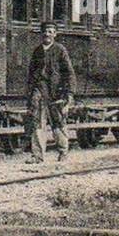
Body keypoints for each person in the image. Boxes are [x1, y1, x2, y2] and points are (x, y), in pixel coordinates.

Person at [26, 21, 75, 163]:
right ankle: (37, 156)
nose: (47, 34)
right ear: (41, 34)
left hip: (56, 93)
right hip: (39, 92)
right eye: (45, 31)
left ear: (55, 34)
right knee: (37, 123)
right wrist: (30, 93)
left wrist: (69, 93)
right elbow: (31, 73)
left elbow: (69, 73)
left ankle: (63, 152)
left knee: (58, 123)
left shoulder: (60, 50)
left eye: (50, 31)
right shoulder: (37, 51)